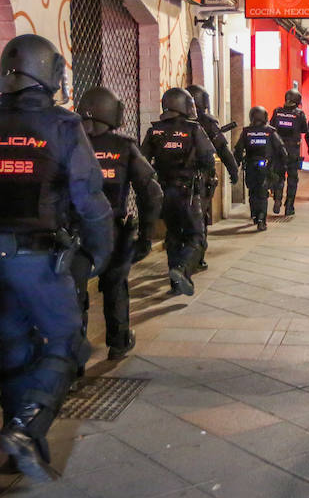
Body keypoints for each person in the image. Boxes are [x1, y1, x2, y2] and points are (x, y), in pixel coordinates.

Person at [0, 35, 114, 481]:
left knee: (15, 346)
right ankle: (27, 427)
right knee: (67, 343)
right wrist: (98, 255)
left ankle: (17, 449)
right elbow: (90, 199)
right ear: (49, 74)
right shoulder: (62, 126)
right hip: (40, 258)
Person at [75, 86, 164, 361]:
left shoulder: (68, 144)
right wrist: (146, 235)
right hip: (112, 230)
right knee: (115, 285)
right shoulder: (123, 147)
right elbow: (152, 192)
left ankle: (73, 355)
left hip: (75, 232)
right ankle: (118, 342)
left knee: (74, 291)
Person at [142, 87, 216, 296]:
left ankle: (175, 283)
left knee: (173, 236)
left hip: (165, 192)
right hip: (187, 192)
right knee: (196, 236)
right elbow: (208, 159)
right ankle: (182, 269)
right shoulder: (193, 129)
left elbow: (142, 160)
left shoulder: (154, 131)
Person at [186, 85, 240, 271]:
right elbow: (223, 150)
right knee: (200, 218)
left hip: (172, 182)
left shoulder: (169, 124)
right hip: (200, 180)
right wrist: (233, 170)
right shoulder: (206, 122)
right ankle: (196, 258)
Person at [235, 105, 288, 230]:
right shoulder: (270, 132)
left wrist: (235, 165)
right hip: (266, 167)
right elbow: (281, 149)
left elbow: (238, 149)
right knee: (263, 193)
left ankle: (254, 215)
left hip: (250, 166)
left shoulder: (246, 132)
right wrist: (283, 165)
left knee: (252, 192)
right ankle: (261, 219)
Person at [269, 90, 307, 216]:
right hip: (293, 151)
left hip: (278, 150)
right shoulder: (299, 114)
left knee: (278, 175)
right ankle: (289, 206)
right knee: (292, 178)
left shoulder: (277, 111)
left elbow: (271, 127)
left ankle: (278, 198)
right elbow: (304, 129)